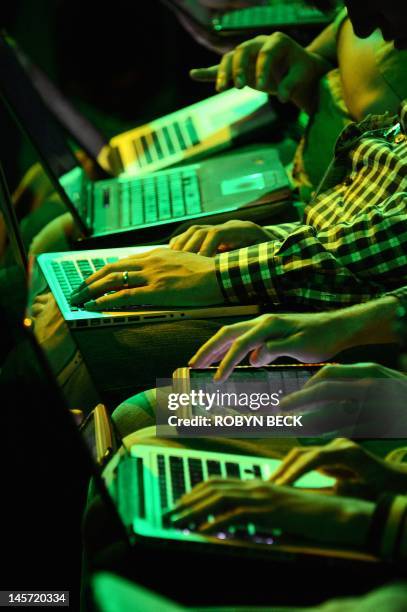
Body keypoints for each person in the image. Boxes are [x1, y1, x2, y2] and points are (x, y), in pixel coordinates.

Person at [70, 1, 407, 314]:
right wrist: (274, 238)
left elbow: (396, 235)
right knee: (75, 218)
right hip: (307, 230)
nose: (362, 25)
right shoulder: (363, 25)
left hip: (314, 263)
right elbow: (376, 206)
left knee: (73, 288)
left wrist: (223, 273)